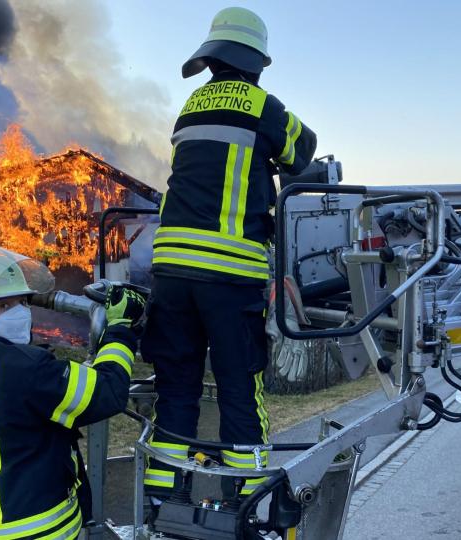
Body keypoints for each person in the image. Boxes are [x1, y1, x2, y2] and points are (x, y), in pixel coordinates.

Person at [141, 6, 317, 506]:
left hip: (171, 271)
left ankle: (161, 501)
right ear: (257, 62)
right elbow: (303, 152)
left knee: (177, 389)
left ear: (213, 56)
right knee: (240, 388)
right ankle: (246, 501)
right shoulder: (262, 106)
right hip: (230, 273)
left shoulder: (191, 105)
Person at [0, 246, 144, 539]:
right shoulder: (24, 369)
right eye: (3, 306)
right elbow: (107, 391)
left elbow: (11, 397)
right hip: (35, 527)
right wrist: (120, 329)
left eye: (22, 302)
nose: (18, 314)